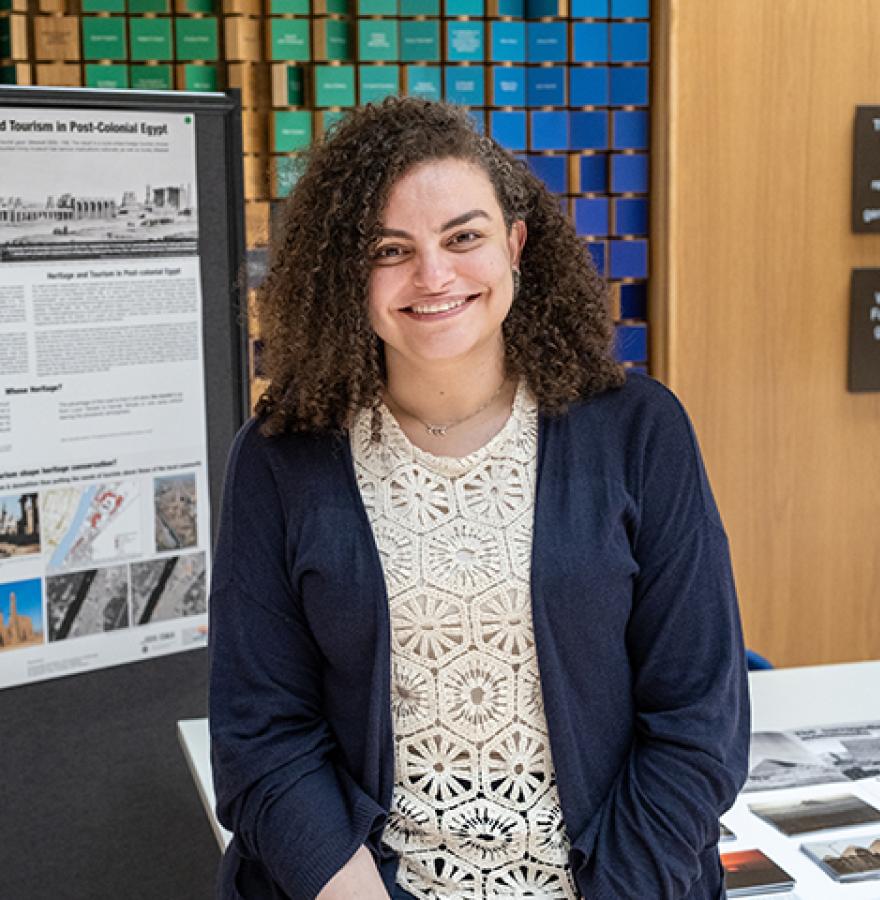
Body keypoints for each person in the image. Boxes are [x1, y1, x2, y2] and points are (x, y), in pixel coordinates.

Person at [209, 97, 750, 900]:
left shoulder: (639, 431)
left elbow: (697, 722)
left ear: (516, 244)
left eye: (464, 236)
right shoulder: (279, 459)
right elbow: (261, 738)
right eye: (391, 250)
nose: (434, 275)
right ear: (346, 275)